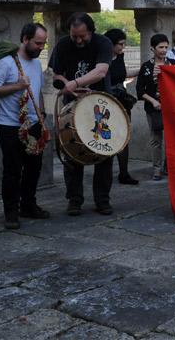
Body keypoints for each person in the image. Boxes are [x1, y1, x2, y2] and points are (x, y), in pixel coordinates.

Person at [49, 13, 115, 216]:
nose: (78, 40)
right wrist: (65, 84)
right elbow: (56, 73)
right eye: (74, 36)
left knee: (104, 149)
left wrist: (76, 83)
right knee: (72, 150)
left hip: (100, 103)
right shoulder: (62, 44)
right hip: (73, 105)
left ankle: (102, 200)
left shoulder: (103, 43)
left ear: (91, 32)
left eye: (82, 37)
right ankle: (74, 200)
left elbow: (101, 71)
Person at [0, 23, 49, 229]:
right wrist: (17, 86)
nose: (40, 48)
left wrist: (42, 113)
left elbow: (37, 89)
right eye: (38, 43)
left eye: (43, 44)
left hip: (34, 122)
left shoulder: (37, 65)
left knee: (34, 167)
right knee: (13, 169)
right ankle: (10, 212)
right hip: (10, 125)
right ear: (25, 39)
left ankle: (28, 205)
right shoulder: (7, 62)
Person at [104, 28, 139, 185]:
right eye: (121, 44)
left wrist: (143, 69)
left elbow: (123, 73)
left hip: (121, 99)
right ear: (111, 44)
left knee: (124, 135)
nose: (123, 47)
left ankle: (124, 173)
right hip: (106, 100)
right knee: (107, 136)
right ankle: (105, 174)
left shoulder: (120, 56)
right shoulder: (101, 57)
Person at [137, 34, 169, 181]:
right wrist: (153, 101)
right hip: (153, 109)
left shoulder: (172, 63)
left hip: (171, 109)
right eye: (160, 47)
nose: (164, 50)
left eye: (166, 47)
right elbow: (140, 90)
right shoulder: (146, 66)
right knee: (156, 140)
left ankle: (169, 167)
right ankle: (156, 169)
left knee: (171, 140)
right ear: (152, 48)